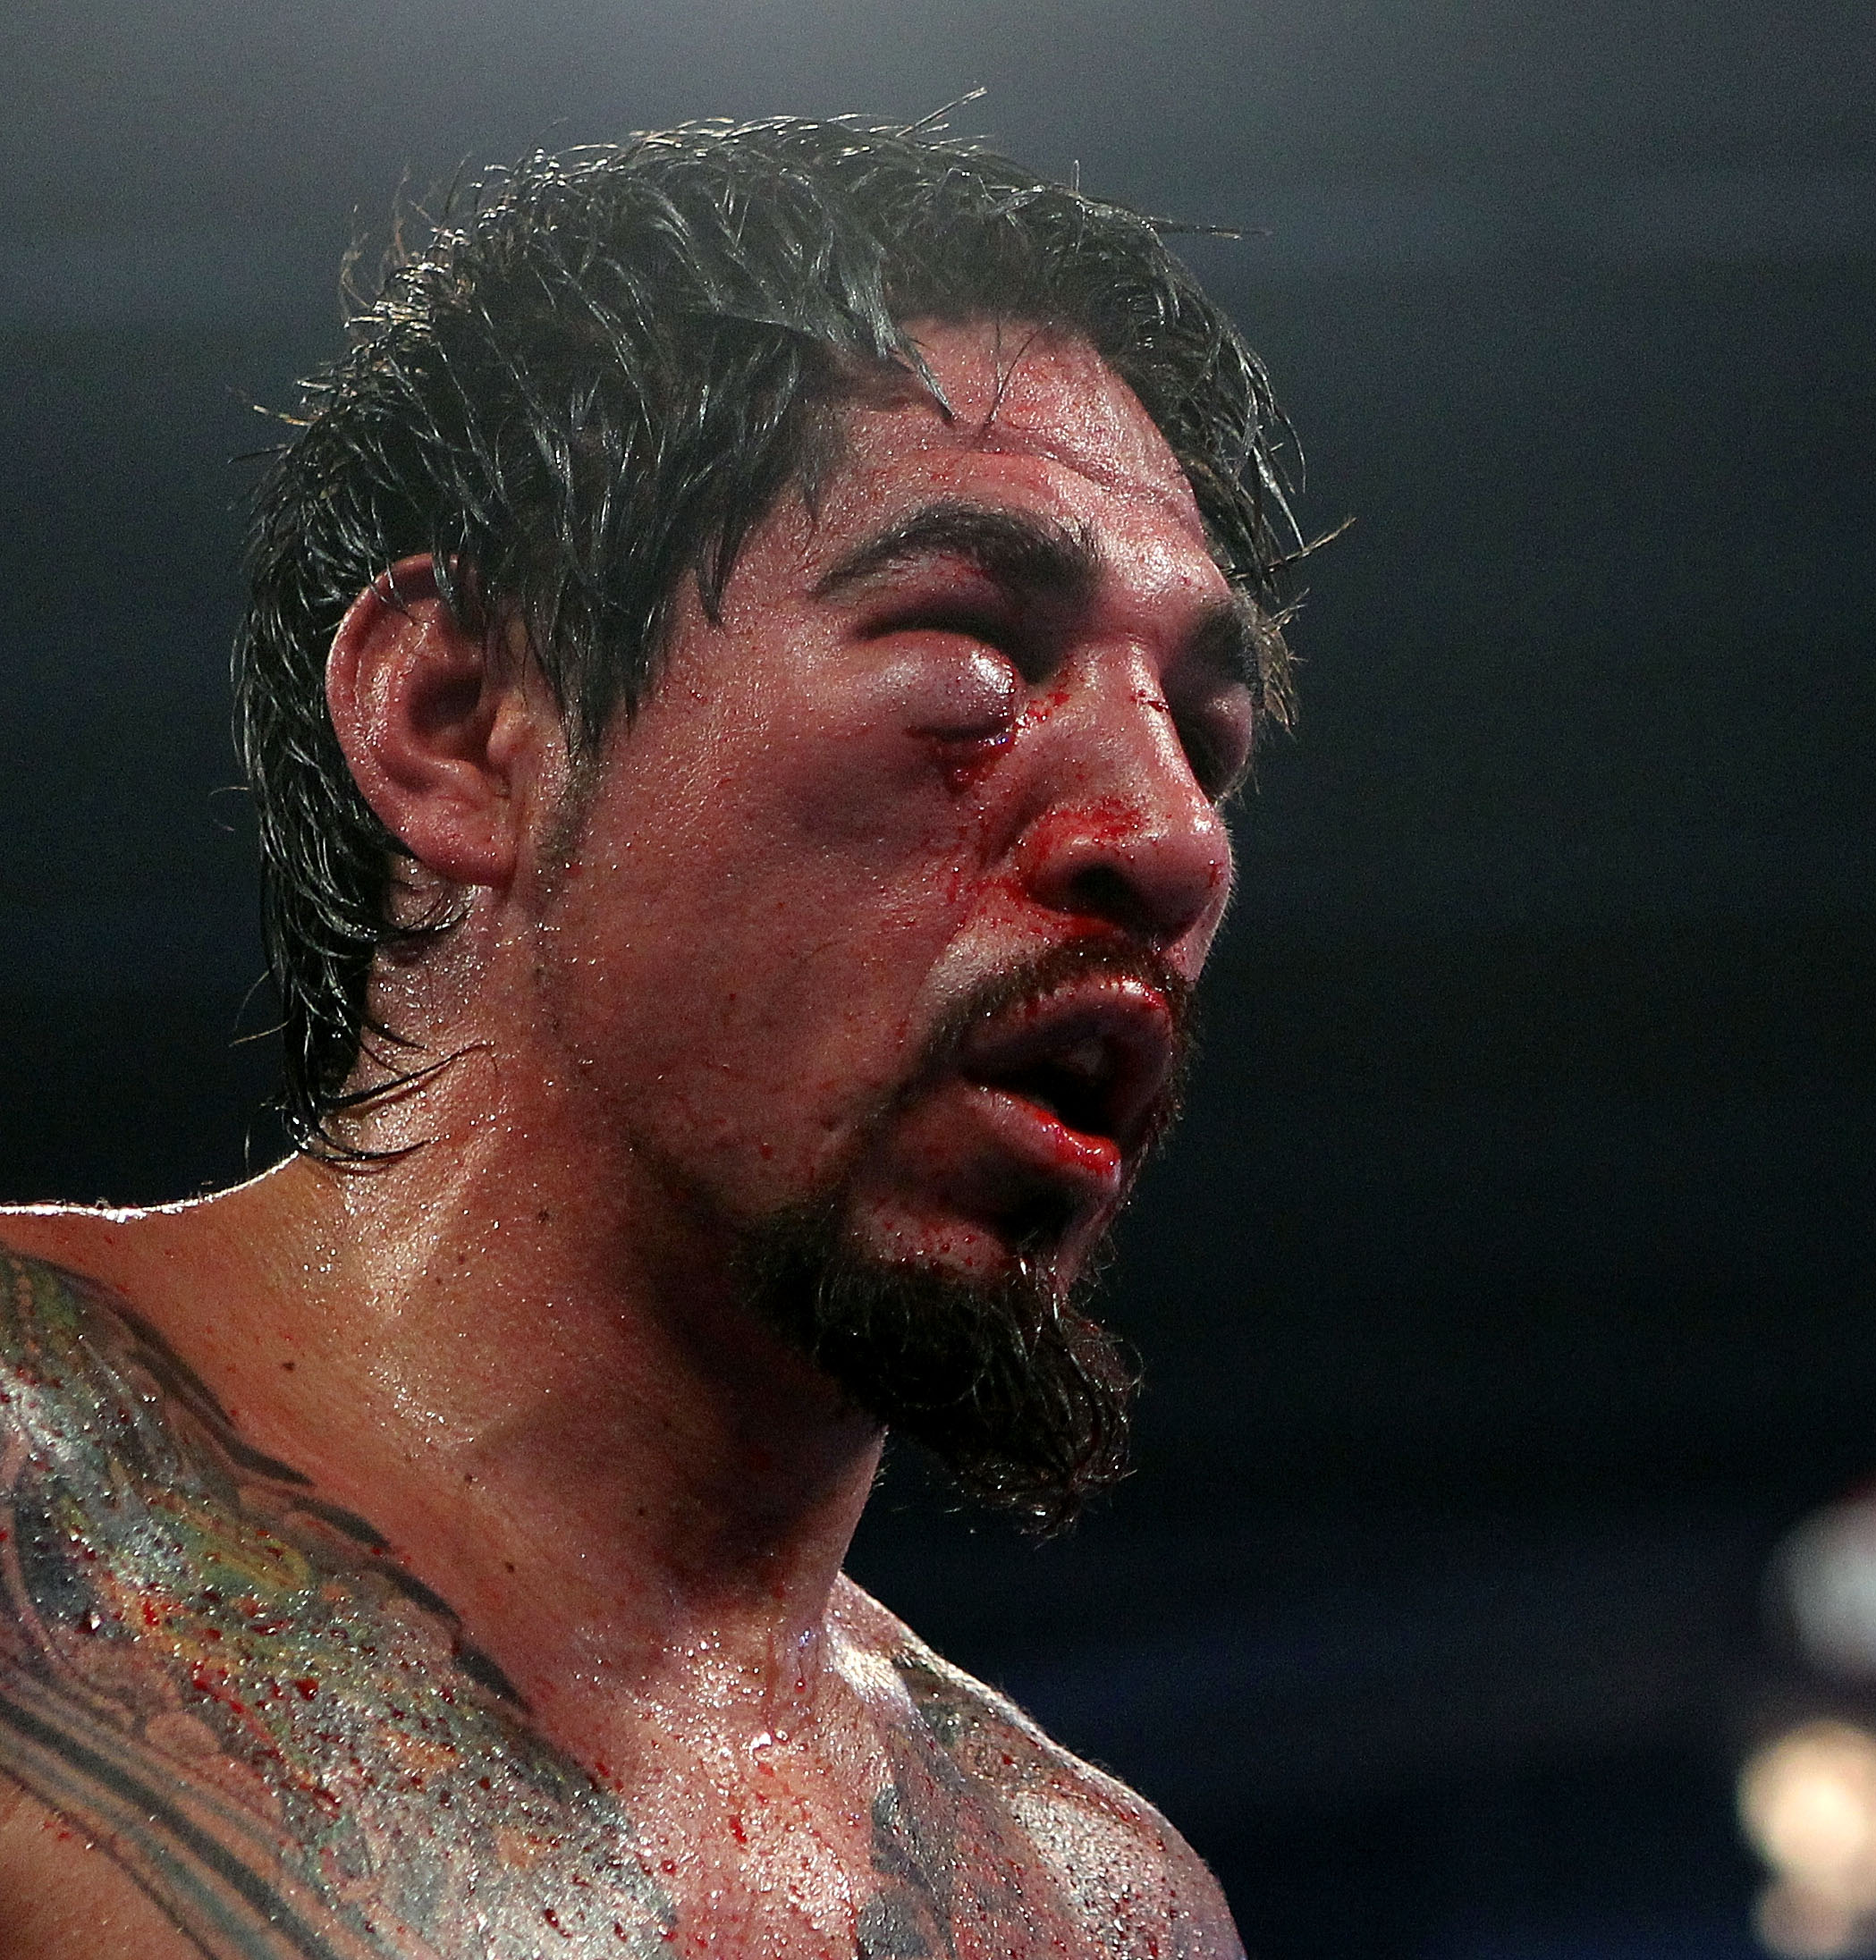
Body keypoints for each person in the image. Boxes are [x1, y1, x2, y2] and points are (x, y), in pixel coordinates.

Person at [0, 114, 1306, 1958]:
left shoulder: (1092, 1912)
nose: (1173, 842)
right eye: (980, 654)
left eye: (1209, 734)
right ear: (458, 719)